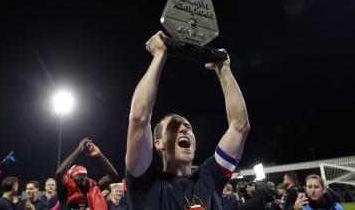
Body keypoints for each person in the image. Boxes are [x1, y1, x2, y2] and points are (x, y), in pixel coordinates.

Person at [125, 31, 250, 209]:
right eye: (174, 126)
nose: (184, 129)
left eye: (188, 127)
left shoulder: (209, 178)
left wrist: (224, 70)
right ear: (158, 143)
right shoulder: (144, 182)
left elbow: (240, 126)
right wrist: (159, 55)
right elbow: (139, 118)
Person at [55, 138, 118, 210]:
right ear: (71, 178)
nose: (82, 178)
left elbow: (113, 176)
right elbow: (59, 174)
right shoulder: (64, 191)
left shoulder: (91, 188)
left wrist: (99, 154)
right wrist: (78, 150)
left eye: (84, 175)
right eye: (78, 175)